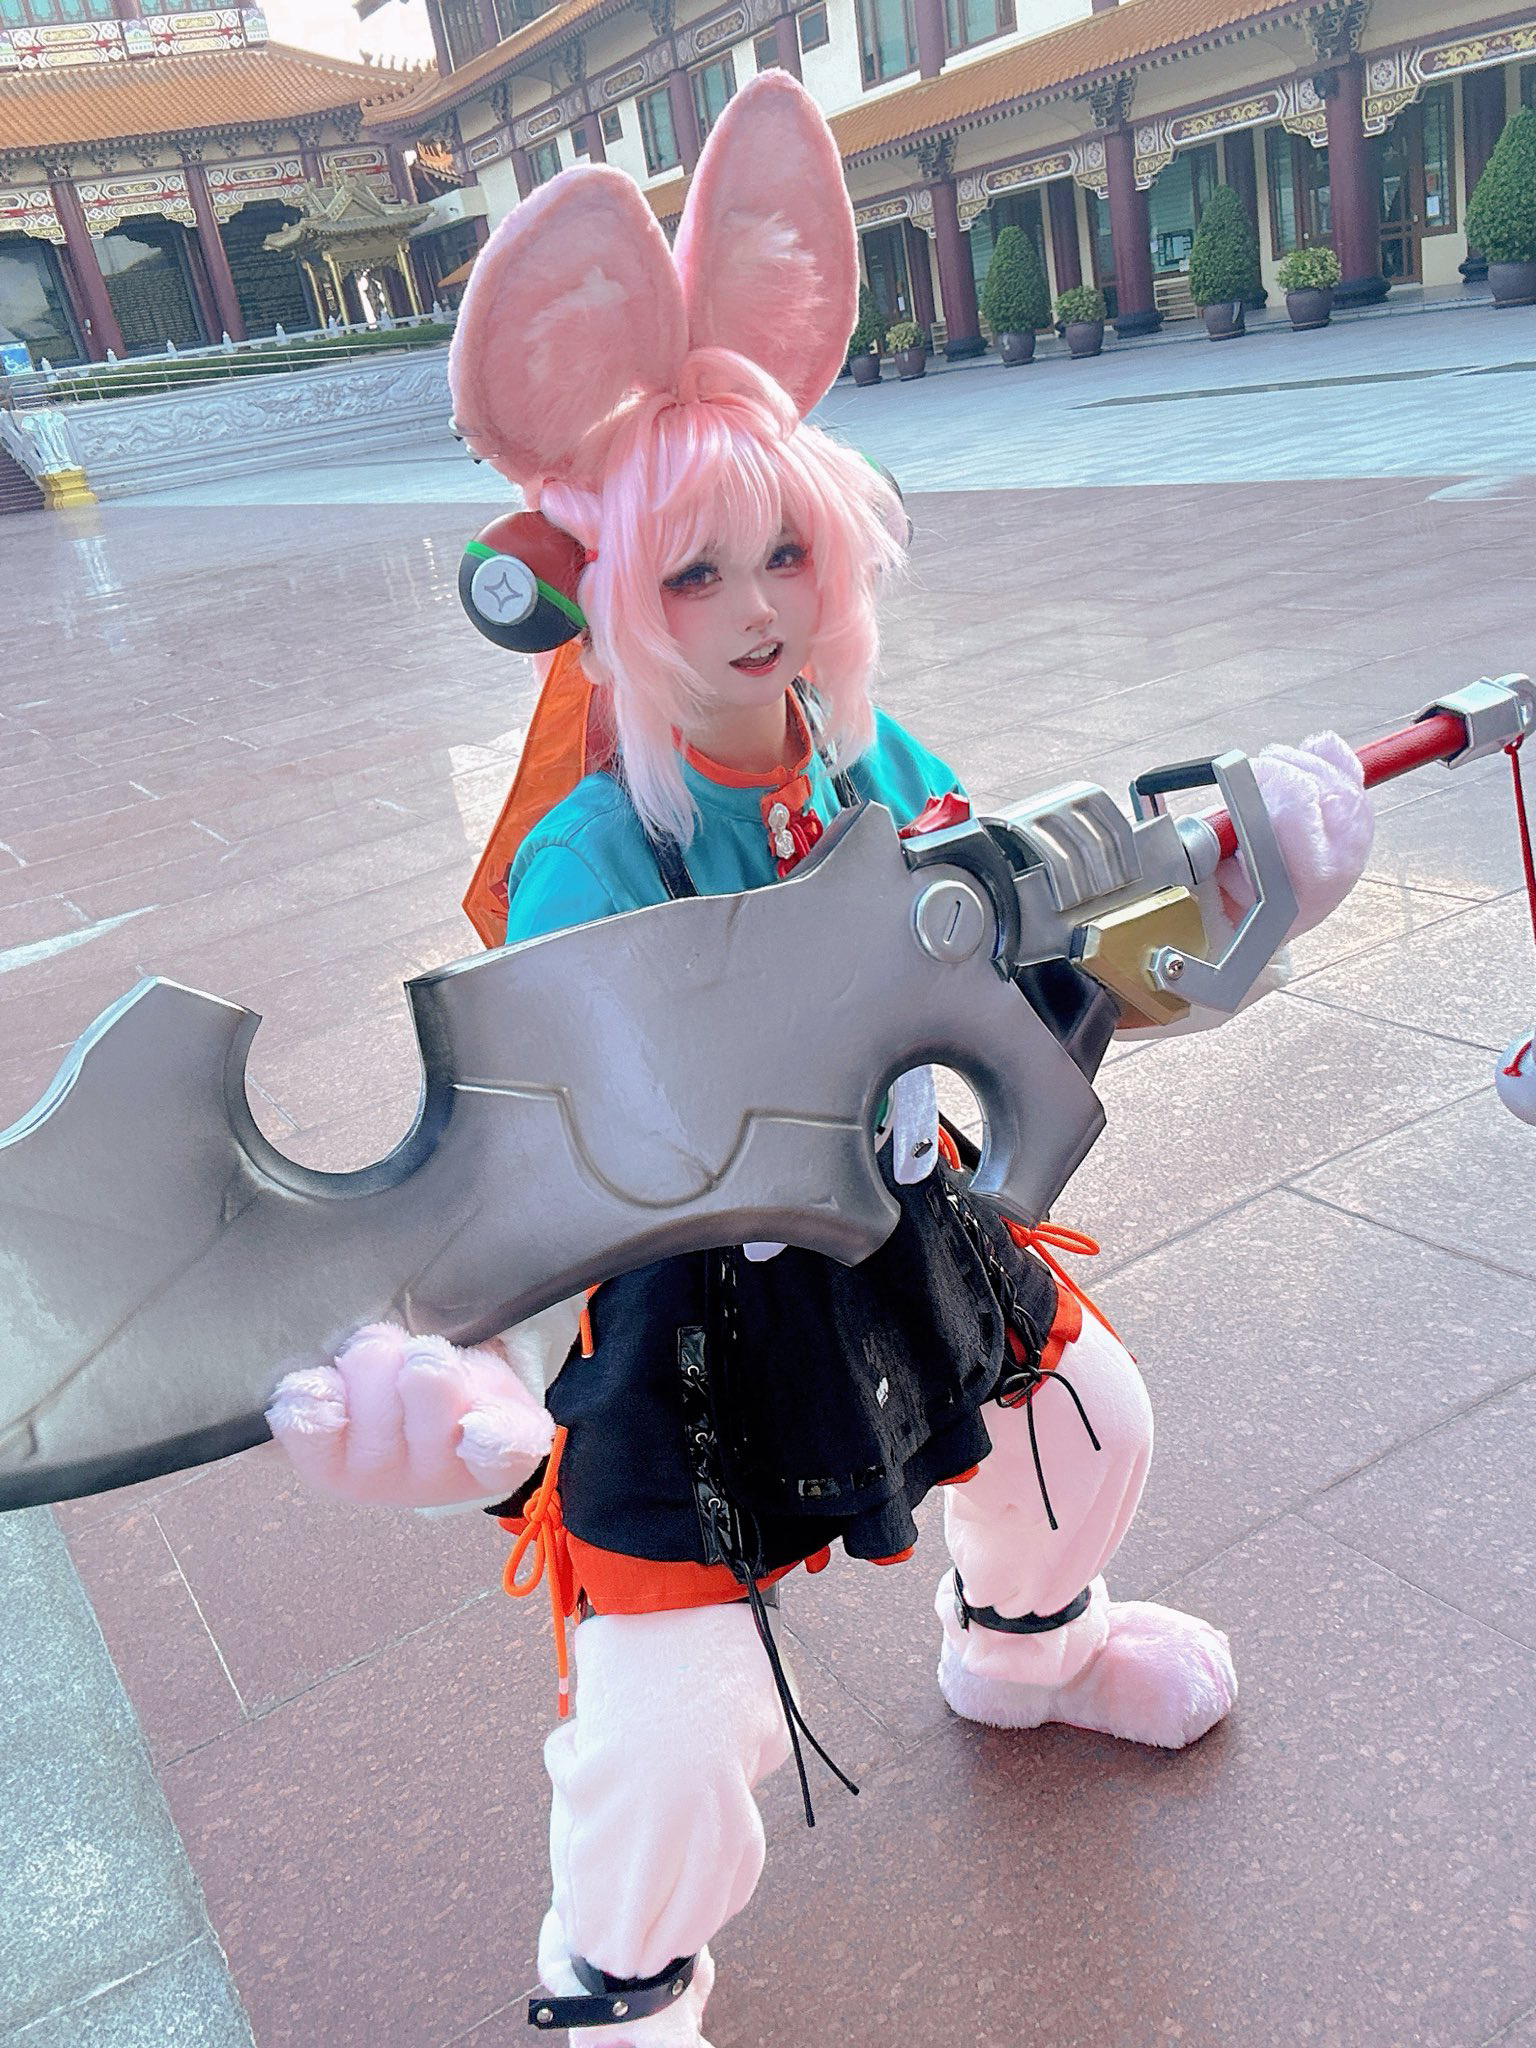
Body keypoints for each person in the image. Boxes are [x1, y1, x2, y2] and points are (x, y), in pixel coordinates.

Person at [266, 73, 1374, 2047]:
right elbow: (539, 1154)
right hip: (688, 1302)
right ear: (609, 601)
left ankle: (1025, 1651)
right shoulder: (590, 852)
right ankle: (615, 1992)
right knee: (678, 1729)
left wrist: (1254, 887)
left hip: (901, 1216)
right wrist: (460, 1378)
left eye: (782, 553)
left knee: (1082, 1419)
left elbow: (1042, 964)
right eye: (694, 575)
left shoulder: (882, 761)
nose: (758, 611)